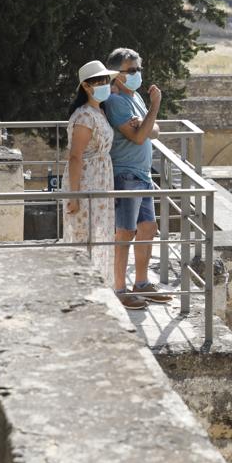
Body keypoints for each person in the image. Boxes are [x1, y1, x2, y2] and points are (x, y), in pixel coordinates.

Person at [103, 48, 171, 307]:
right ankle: (119, 289)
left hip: (142, 174)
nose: (137, 74)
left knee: (147, 228)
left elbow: (155, 130)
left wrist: (145, 121)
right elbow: (140, 136)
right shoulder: (116, 101)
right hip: (126, 174)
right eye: (131, 70)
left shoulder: (136, 98)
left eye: (138, 69)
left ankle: (141, 283)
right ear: (116, 74)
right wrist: (154, 108)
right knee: (125, 232)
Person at [62, 61, 125, 300]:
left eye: (105, 80)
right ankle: (81, 291)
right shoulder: (85, 116)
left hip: (100, 179)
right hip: (87, 180)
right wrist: (75, 196)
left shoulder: (99, 111)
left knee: (99, 234)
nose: (104, 85)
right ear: (86, 87)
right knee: (84, 234)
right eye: (99, 82)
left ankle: (96, 288)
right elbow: (75, 156)